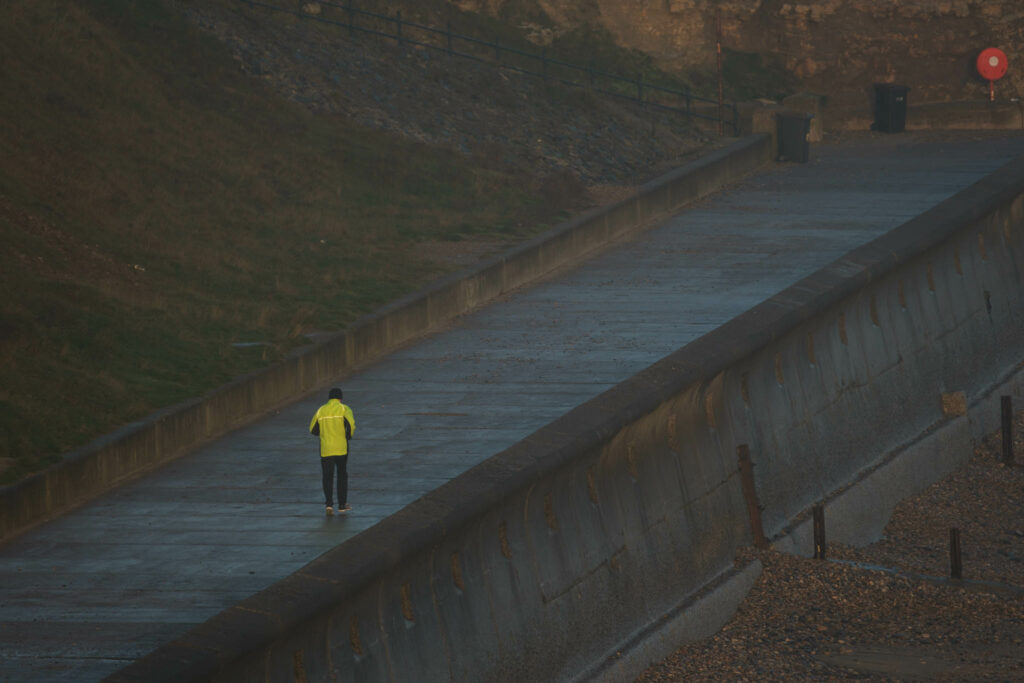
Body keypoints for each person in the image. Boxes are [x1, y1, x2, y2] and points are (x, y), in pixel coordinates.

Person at [309, 387, 355, 515]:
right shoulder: (344, 408)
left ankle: (329, 505)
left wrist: (323, 433)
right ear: (340, 398)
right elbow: (351, 425)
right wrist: (348, 436)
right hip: (341, 447)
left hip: (326, 449)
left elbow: (313, 429)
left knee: (327, 476)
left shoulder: (321, 410)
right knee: (342, 475)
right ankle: (342, 505)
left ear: (329, 398)